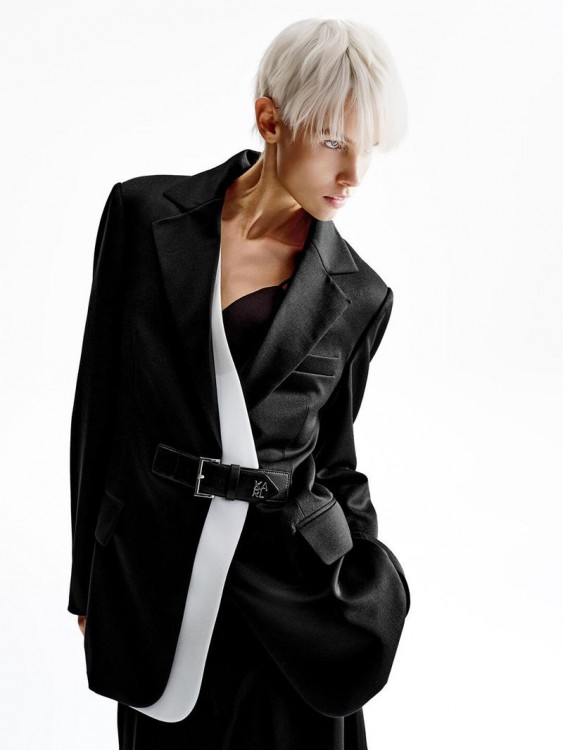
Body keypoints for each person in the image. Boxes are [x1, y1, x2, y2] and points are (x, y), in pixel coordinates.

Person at [68, 17, 411, 750]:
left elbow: (335, 462)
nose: (353, 174)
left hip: (292, 598)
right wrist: (85, 581)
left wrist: (364, 595)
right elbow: (100, 409)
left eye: (368, 147)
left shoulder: (360, 296)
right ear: (270, 119)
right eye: (333, 142)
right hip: (158, 577)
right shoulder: (142, 216)